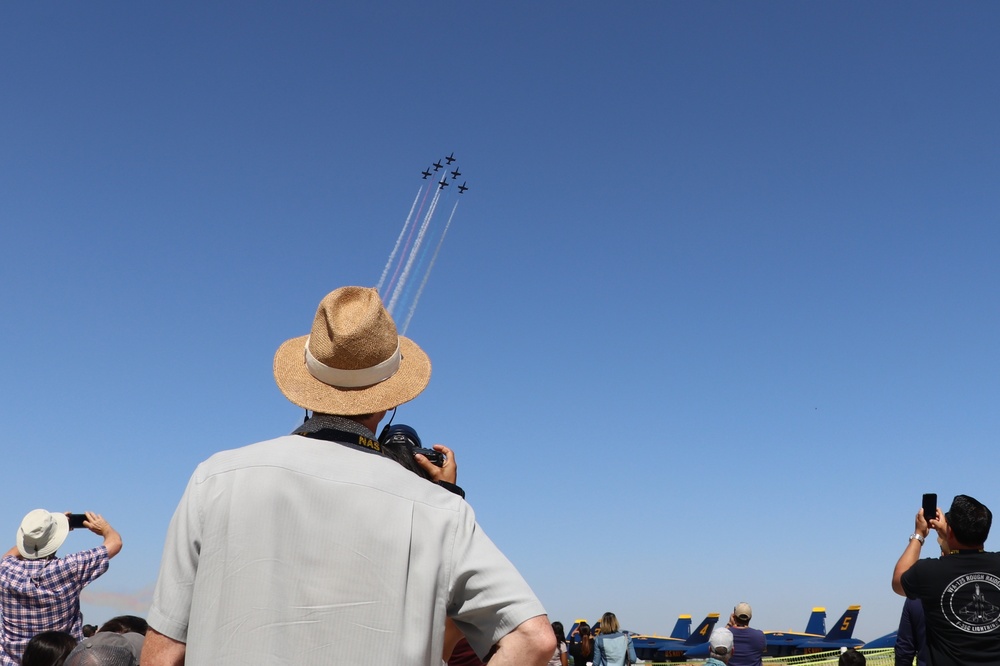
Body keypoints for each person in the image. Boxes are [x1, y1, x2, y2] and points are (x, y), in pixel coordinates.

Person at [142, 286, 554, 666]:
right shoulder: (442, 511)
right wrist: (444, 493)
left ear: (307, 386)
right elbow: (534, 639)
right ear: (388, 401)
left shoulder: (214, 479)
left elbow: (162, 655)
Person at [0, 511, 122, 666]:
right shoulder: (68, 568)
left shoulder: (6, 569)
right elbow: (115, 543)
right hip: (61, 660)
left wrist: (34, 537)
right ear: (55, 540)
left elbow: (9, 555)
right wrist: (105, 528)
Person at [892, 494, 1000, 666]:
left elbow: (898, 581)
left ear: (951, 532)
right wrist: (949, 534)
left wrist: (919, 535)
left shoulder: (929, 572)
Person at [727, 602, 766, 666]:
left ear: (734, 617)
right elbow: (763, 649)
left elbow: (720, 637)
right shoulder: (759, 636)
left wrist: (729, 623)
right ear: (750, 617)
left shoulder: (727, 634)